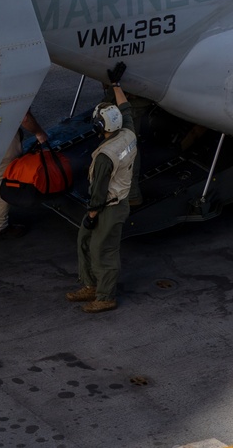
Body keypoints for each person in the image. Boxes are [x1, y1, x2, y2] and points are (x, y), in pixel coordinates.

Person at [67, 63, 136, 313]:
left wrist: (92, 215)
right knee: (84, 241)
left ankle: (105, 296)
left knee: (102, 250)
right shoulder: (127, 133)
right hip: (111, 203)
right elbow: (126, 109)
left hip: (109, 206)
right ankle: (90, 285)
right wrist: (116, 85)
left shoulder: (106, 156)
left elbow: (98, 190)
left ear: (99, 127)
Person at [0, 109, 48, 240]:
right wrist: (39, 132)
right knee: (5, 183)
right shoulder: (11, 88)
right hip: (4, 138)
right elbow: (24, 117)